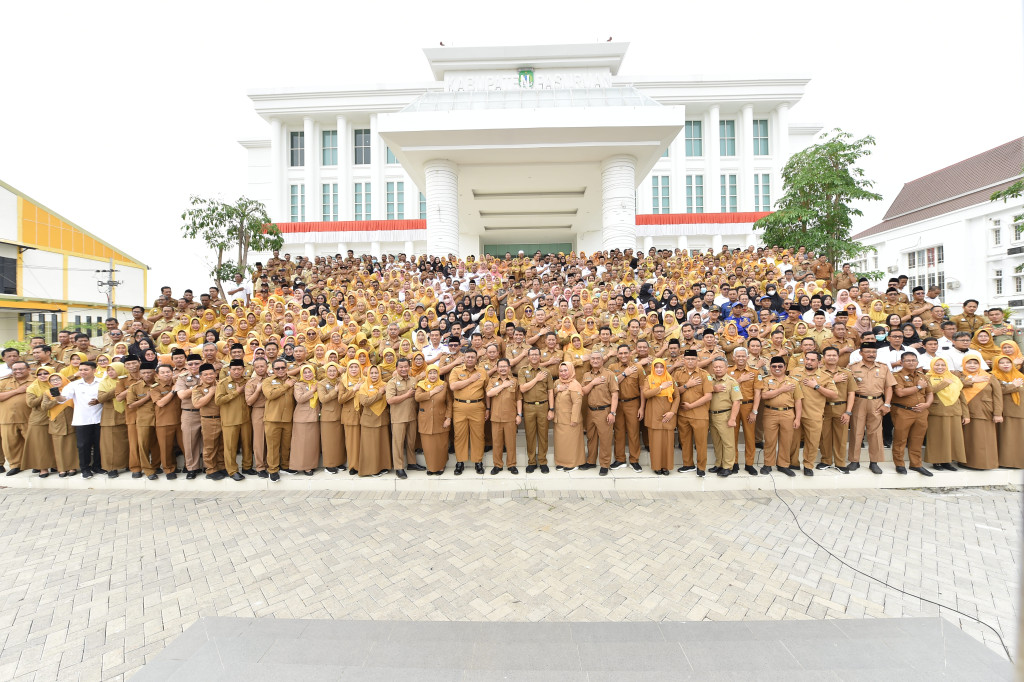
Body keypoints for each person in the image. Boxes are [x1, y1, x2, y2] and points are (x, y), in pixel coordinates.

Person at [847, 343, 895, 474]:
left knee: (875, 433)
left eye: (873, 352)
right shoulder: (852, 367)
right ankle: (854, 460)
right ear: (861, 353)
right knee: (856, 431)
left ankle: (874, 462)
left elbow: (888, 387)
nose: (871, 354)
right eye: (867, 352)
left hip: (877, 402)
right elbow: (847, 387)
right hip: (858, 401)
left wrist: (887, 404)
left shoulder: (883, 367)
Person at [55, 360, 105, 478]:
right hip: (82, 420)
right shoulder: (74, 385)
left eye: (86, 370)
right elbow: (63, 399)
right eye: (81, 370)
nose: (82, 372)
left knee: (99, 444)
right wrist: (56, 394)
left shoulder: (102, 382)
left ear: (94, 370)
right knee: (83, 446)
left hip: (99, 418)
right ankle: (85, 469)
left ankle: (97, 466)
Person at [889, 352, 934, 476]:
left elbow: (930, 393)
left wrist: (927, 404)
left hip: (921, 412)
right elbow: (900, 392)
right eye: (908, 360)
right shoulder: (897, 376)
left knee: (917, 439)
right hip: (903, 411)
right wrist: (918, 387)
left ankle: (916, 464)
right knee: (900, 439)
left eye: (914, 360)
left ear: (918, 362)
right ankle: (899, 464)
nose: (911, 362)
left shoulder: (922, 376)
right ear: (901, 362)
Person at [757, 356, 803, 476]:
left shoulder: (793, 381)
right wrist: (782, 389)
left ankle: (783, 465)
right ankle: (768, 464)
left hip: (788, 413)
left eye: (780, 366)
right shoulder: (766, 380)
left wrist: (797, 418)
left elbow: (798, 400)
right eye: (774, 366)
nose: (777, 368)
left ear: (785, 367)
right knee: (769, 440)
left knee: (786, 441)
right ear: (770, 367)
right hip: (770, 413)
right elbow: (764, 396)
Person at [923, 357, 967, 471]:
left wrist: (966, 415)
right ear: (932, 365)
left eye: (943, 365)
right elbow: (928, 391)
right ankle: (936, 461)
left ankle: (948, 461)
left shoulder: (954, 378)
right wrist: (943, 383)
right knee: (937, 437)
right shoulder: (927, 377)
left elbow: (962, 397)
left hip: (955, 411)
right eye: (937, 365)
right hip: (937, 411)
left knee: (952, 437)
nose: (940, 367)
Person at [960, 350, 1002, 470]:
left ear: (980, 364)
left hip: (985, 412)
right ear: (963, 364)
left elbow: (997, 396)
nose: (972, 365)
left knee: (983, 438)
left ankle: (984, 463)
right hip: (966, 412)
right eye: (969, 363)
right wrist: (972, 380)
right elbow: (955, 385)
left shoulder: (989, 377)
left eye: (975, 363)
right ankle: (967, 462)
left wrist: (998, 413)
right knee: (968, 439)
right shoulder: (960, 376)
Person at [673, 349, 713, 476]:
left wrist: (691, 406)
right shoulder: (678, 374)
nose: (690, 361)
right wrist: (686, 385)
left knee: (701, 442)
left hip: (699, 415)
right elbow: (674, 392)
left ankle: (701, 467)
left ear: (697, 360)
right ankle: (688, 464)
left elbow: (708, 396)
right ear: (683, 360)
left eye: (693, 359)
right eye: (688, 359)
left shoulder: (704, 374)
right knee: (685, 441)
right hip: (683, 414)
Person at [449, 349, 487, 475]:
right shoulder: (456, 370)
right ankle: (460, 462)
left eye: (472, 357)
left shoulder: (482, 372)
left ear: (476, 359)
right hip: (460, 407)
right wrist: (471, 380)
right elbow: (453, 386)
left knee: (478, 435)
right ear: (464, 358)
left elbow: (487, 391)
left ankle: (478, 462)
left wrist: (488, 408)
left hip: (477, 407)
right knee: (460, 435)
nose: (470, 359)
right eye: (468, 357)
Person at [581, 351, 619, 475]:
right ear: (590, 361)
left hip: (604, 411)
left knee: (605, 439)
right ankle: (591, 461)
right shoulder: (587, 375)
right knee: (591, 438)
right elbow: (583, 391)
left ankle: (604, 464)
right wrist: (592, 383)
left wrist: (612, 413)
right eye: (593, 359)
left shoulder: (609, 374)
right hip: (590, 411)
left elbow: (615, 394)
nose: (595, 361)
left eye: (598, 358)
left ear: (603, 361)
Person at [608, 344, 645, 472]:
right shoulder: (612, 367)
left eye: (625, 353)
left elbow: (642, 389)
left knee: (634, 432)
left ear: (630, 354)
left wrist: (642, 408)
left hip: (633, 403)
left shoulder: (638, 368)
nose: (623, 356)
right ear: (617, 355)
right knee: (618, 432)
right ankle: (620, 459)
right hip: (617, 404)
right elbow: (611, 384)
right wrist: (624, 373)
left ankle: (634, 460)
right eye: (621, 353)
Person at [818, 346, 854, 473]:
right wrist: (833, 380)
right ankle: (826, 460)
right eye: (829, 355)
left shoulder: (846, 373)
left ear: (838, 357)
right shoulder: (818, 373)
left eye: (834, 355)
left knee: (841, 437)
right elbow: (815, 389)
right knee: (824, 436)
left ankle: (840, 463)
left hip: (841, 408)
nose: (831, 357)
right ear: (823, 357)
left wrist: (848, 411)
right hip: (824, 408)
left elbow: (851, 393)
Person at [215, 359, 252, 479]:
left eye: (239, 369)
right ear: (229, 370)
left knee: (247, 445)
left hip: (245, 419)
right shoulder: (223, 383)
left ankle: (247, 467)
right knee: (230, 447)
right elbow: (218, 400)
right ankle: (232, 471)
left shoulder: (248, 381)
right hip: (230, 420)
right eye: (234, 369)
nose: (236, 372)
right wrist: (236, 392)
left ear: (243, 370)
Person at [707, 357, 742, 477]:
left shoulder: (732, 382)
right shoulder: (710, 380)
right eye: (715, 367)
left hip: (725, 415)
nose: (717, 369)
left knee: (728, 443)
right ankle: (719, 464)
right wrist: (713, 389)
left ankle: (728, 466)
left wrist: (732, 419)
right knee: (717, 442)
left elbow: (737, 401)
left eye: (720, 367)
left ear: (726, 368)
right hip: (712, 415)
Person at [385, 358, 421, 479]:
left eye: (406, 366)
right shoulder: (392, 382)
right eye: (401, 367)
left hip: (412, 416)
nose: (404, 369)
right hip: (398, 418)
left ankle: (412, 463)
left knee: (411, 442)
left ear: (409, 367)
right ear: (396, 368)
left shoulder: (413, 380)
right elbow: (390, 400)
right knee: (398, 443)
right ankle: (399, 467)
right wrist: (406, 395)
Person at [643, 358, 679, 475]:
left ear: (665, 368)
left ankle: (666, 467)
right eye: (656, 367)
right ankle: (657, 467)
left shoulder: (671, 379)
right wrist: (661, 387)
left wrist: (672, 412)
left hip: (668, 415)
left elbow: (677, 396)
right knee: (656, 443)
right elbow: (646, 394)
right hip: (654, 415)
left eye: (661, 367)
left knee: (668, 443)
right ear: (653, 368)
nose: (659, 369)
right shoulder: (649, 379)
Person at [262, 359, 295, 481]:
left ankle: (285, 466)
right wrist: (286, 386)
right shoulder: (268, 381)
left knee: (286, 445)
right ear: (273, 369)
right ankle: (273, 469)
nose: (280, 370)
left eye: (283, 368)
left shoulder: (293, 380)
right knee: (272, 446)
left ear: (286, 368)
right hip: (272, 419)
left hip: (288, 418)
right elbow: (270, 395)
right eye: (277, 368)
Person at [486, 358, 520, 474]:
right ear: (497, 368)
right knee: (496, 443)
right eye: (500, 367)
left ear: (509, 368)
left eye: (505, 366)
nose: (503, 369)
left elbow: (519, 399)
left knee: (511, 443)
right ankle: (497, 465)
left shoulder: (515, 381)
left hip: (510, 417)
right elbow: (489, 393)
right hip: (496, 416)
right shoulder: (492, 380)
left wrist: (519, 414)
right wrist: (503, 386)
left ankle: (511, 465)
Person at [40, 372, 77, 476]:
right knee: (58, 447)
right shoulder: (47, 392)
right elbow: (44, 407)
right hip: (56, 422)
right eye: (52, 380)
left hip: (71, 420)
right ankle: (62, 468)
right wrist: (57, 399)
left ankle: (72, 467)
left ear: (63, 379)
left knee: (71, 445)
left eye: (58, 379)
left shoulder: (70, 390)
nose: (55, 381)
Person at [23, 366, 57, 477]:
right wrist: (44, 395)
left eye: (46, 373)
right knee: (41, 445)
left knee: (54, 443)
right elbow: (31, 403)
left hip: (56, 417)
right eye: (40, 374)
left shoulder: (57, 383)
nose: (42, 376)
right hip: (39, 419)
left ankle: (55, 464)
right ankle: (43, 468)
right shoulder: (33, 387)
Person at [96, 362, 129, 477]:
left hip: (127, 413)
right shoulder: (104, 383)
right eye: (108, 370)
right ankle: (111, 468)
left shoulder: (128, 380)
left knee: (126, 442)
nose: (110, 372)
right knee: (109, 444)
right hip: (110, 416)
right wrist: (118, 388)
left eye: (113, 370)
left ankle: (127, 463)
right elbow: (101, 398)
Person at [127, 362, 159, 479]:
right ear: (140, 374)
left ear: (154, 372)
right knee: (143, 445)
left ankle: (156, 466)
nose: (147, 374)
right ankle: (148, 470)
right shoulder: (134, 387)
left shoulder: (160, 384)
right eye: (144, 372)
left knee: (157, 444)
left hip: (160, 418)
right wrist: (147, 397)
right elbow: (131, 405)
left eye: (149, 372)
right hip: (143, 419)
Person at [0, 359, 32, 474]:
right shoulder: (4, 381)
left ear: (28, 369)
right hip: (7, 418)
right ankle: (15, 465)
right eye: (15, 369)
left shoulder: (35, 380)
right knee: (10, 444)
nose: (18, 371)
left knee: (33, 442)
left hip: (29, 418)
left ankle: (36, 464)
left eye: (21, 369)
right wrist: (17, 391)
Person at [357, 365, 390, 477]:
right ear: (368, 374)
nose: (374, 375)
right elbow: (364, 402)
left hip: (382, 419)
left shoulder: (385, 385)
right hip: (369, 420)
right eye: (372, 373)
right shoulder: (364, 387)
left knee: (382, 445)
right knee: (370, 446)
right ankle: (371, 470)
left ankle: (382, 467)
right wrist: (379, 394)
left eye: (376, 373)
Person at [149, 364, 181, 479]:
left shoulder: (178, 383)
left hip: (180, 421)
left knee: (184, 446)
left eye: (168, 372)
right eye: (162, 372)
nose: (166, 374)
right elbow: (161, 403)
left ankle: (189, 467)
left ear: (172, 372)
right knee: (165, 448)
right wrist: (172, 392)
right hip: (164, 422)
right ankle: (168, 469)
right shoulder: (155, 387)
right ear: (157, 375)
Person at [992, 354, 1024, 468]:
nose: (1005, 365)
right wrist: (1012, 385)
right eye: (1002, 362)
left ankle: (1018, 462)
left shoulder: (1020, 375)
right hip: (1005, 412)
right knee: (1006, 438)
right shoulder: (994, 376)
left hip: (1020, 411)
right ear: (997, 364)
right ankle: (1006, 462)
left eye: (1008, 362)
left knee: (1019, 438)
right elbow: (996, 391)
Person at [289, 364, 321, 475]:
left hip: (314, 417)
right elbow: (300, 399)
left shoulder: (317, 383)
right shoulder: (298, 385)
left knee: (311, 444)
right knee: (300, 443)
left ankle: (309, 466)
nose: (308, 374)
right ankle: (297, 465)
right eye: (305, 372)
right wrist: (312, 391)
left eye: (310, 372)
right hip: (302, 418)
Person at [552, 362, 584, 471]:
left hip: (570, 419)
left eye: (566, 370)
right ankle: (561, 462)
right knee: (561, 443)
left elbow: (577, 403)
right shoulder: (557, 382)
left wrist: (574, 419)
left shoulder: (575, 384)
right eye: (561, 371)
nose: (563, 373)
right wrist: (557, 389)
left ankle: (573, 464)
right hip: (559, 419)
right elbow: (551, 395)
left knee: (571, 443)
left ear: (571, 371)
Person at [315, 362, 344, 474]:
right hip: (328, 416)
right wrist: (335, 391)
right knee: (329, 442)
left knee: (339, 441)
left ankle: (338, 462)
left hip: (340, 414)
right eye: (330, 371)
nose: (332, 373)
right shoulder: (322, 384)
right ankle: (329, 464)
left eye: (334, 371)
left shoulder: (340, 381)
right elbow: (323, 399)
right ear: (326, 372)